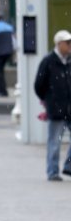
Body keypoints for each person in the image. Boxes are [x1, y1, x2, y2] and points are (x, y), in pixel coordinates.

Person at [34, 30, 71, 182]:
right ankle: (52, 171)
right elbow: (39, 85)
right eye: (67, 43)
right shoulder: (48, 61)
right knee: (54, 141)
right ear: (59, 44)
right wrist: (49, 99)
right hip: (56, 107)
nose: (70, 46)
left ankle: (68, 166)